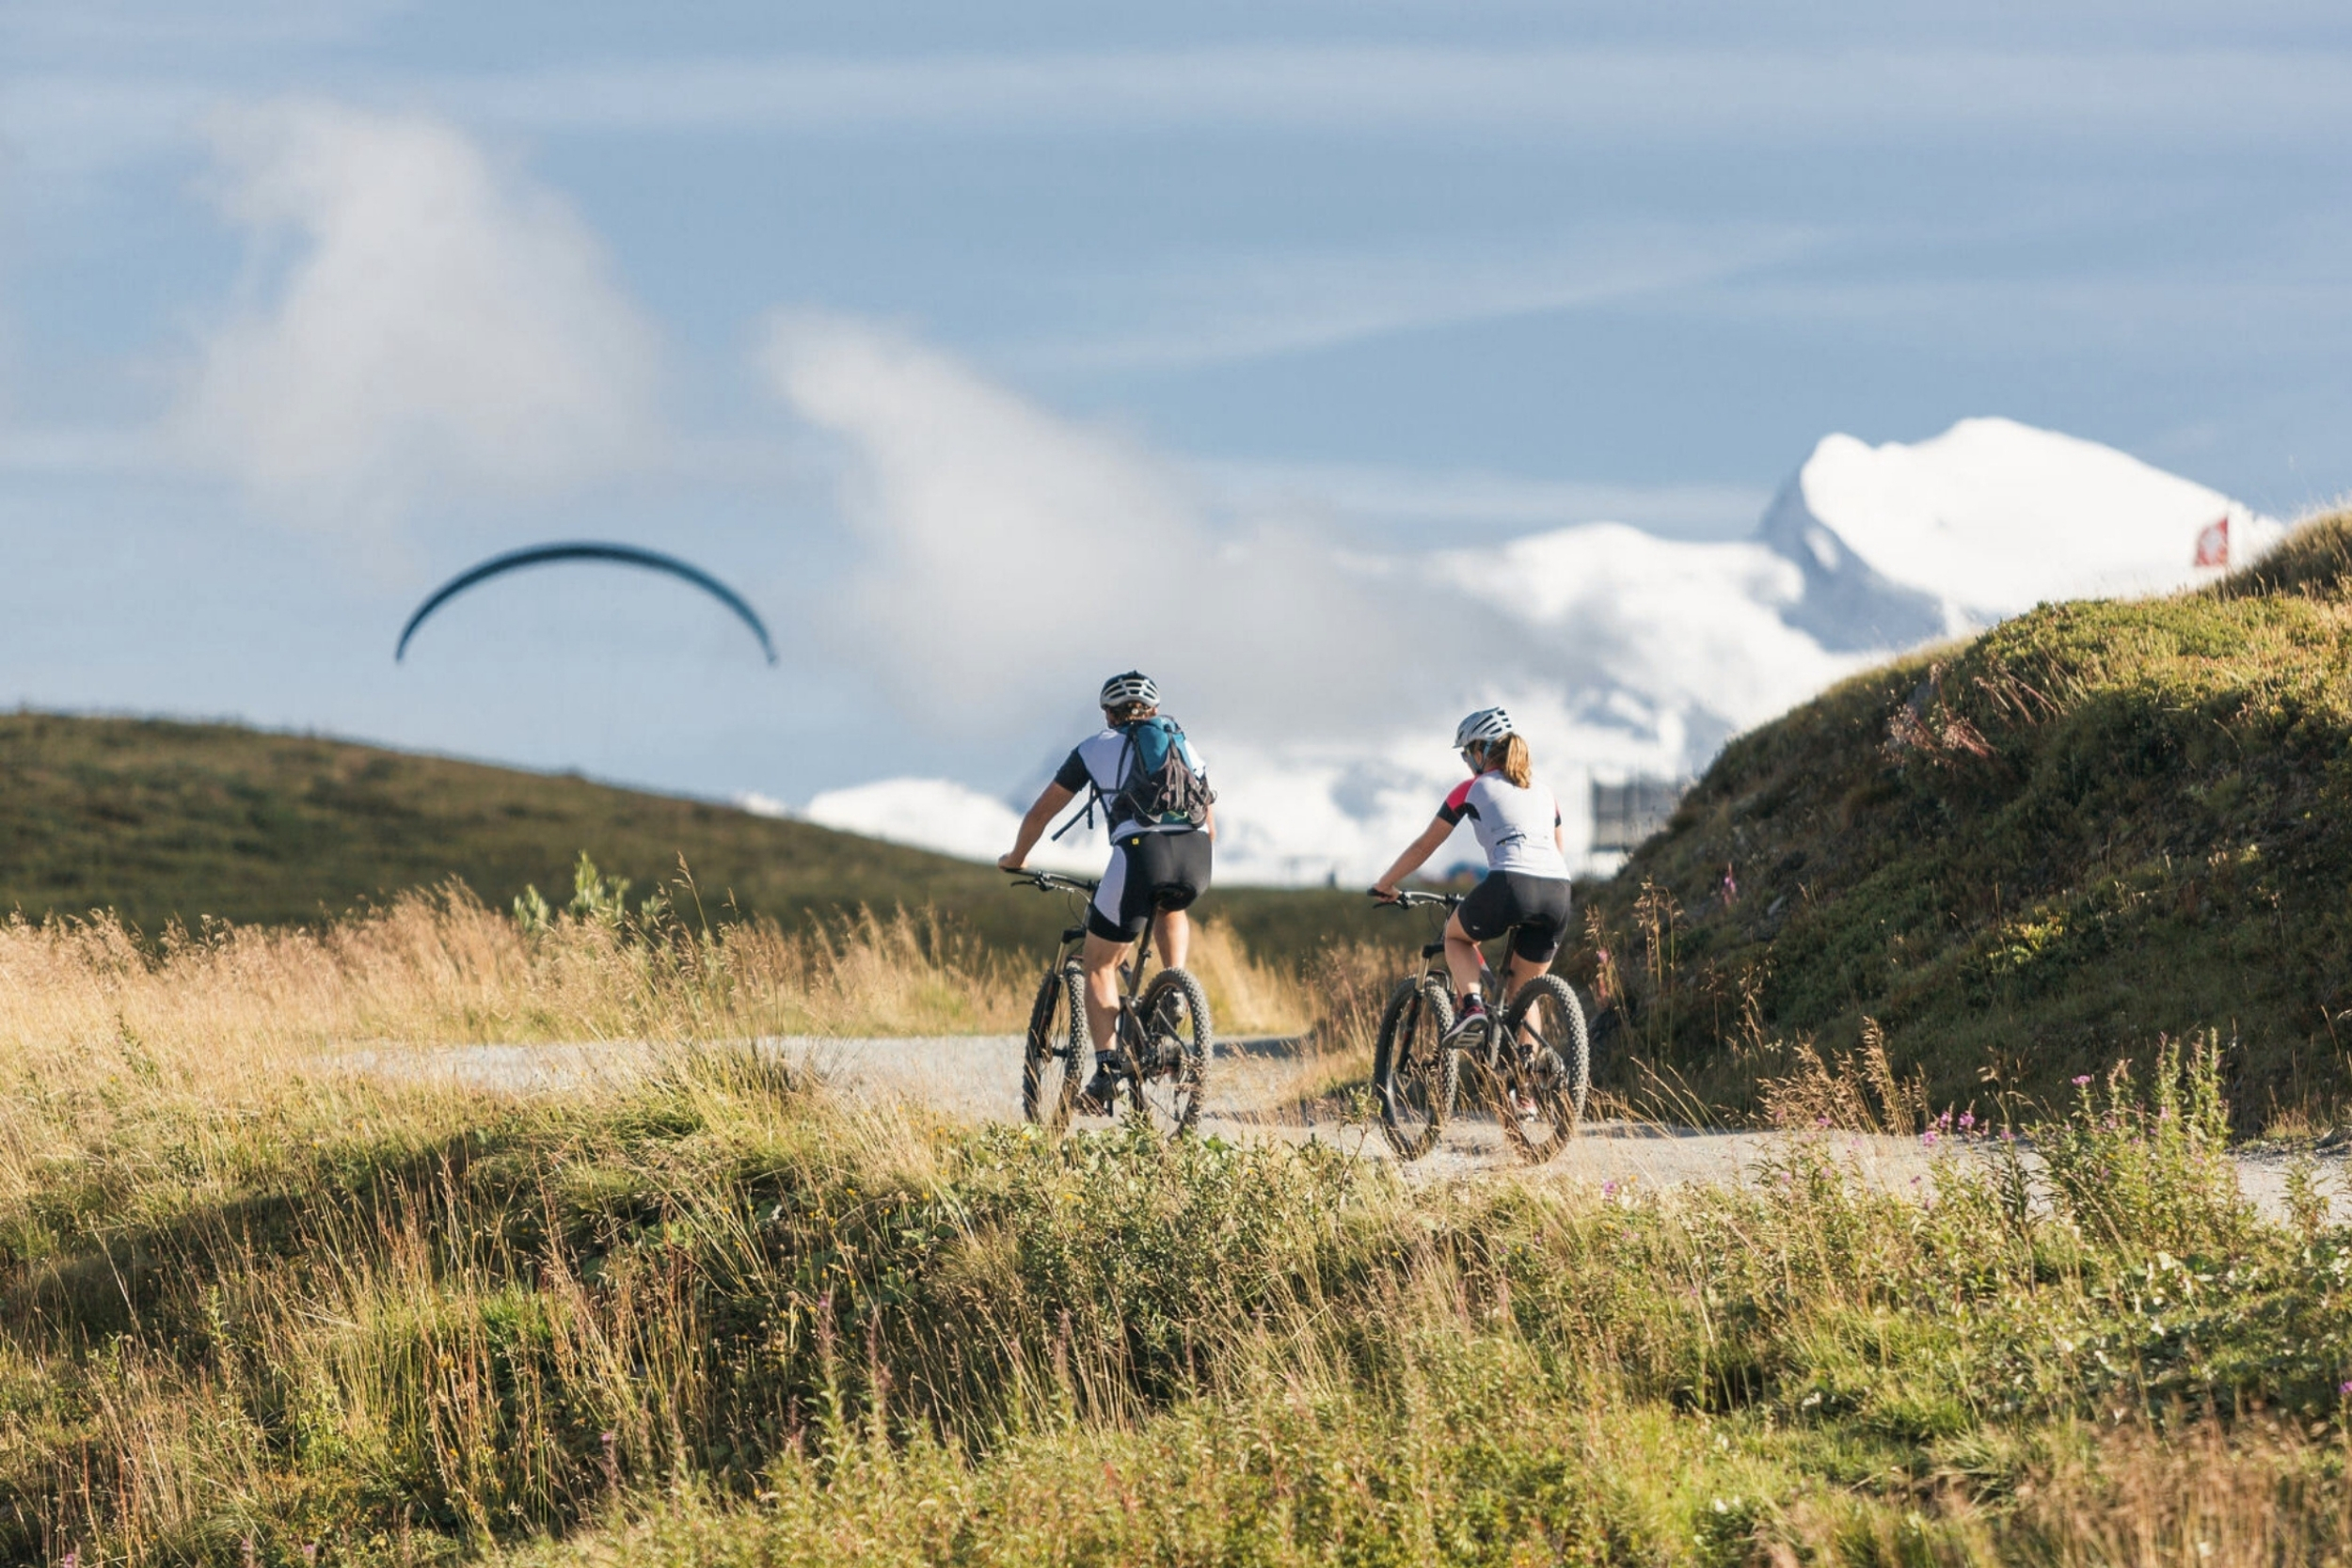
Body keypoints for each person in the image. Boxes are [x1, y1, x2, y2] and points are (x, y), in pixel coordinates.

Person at [1000, 672, 1216, 1113]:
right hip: (1196, 858)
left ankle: (1106, 1072)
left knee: (1098, 962)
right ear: (1154, 711)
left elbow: (1041, 813)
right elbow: (1209, 824)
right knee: (1169, 902)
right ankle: (1174, 984)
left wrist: (1017, 856)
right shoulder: (1185, 745)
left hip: (1140, 856)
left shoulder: (1092, 748)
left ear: (1108, 713)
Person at [1369, 707, 1572, 1054]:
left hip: (1510, 883)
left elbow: (1423, 846)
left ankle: (1474, 1008)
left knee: (1456, 935)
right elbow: (1558, 849)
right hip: (1558, 892)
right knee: (1523, 993)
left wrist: (1385, 884)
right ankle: (1526, 1093)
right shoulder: (1545, 792)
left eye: (1466, 753)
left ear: (1480, 750)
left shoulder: (1470, 789)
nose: (1465, 761)